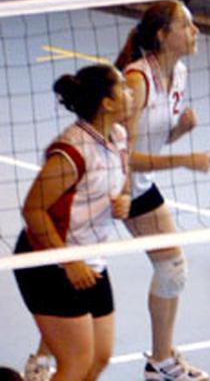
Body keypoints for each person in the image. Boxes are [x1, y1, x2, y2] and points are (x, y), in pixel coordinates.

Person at [113, 0, 210, 381]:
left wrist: (180, 130)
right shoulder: (137, 81)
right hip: (110, 185)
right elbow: (124, 155)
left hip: (135, 184)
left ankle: (160, 360)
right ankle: (41, 360)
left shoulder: (180, 73)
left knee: (171, 267)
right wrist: (184, 159)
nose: (196, 31)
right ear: (162, 35)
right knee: (72, 272)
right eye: (186, 25)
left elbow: (152, 142)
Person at [13, 64, 132, 381]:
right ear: (107, 102)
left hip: (91, 260)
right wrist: (69, 261)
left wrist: (124, 200)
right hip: (48, 262)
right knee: (76, 363)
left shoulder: (118, 136)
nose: (130, 92)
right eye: (124, 88)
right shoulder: (72, 150)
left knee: (99, 358)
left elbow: (120, 182)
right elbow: (33, 209)